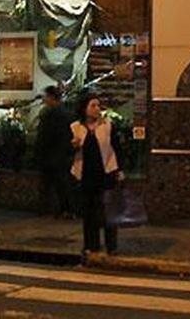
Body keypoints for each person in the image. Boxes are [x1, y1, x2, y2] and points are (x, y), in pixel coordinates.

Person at [71, 93, 124, 256]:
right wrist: (73, 146)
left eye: (98, 105)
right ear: (84, 108)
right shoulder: (75, 127)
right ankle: (91, 244)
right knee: (89, 212)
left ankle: (111, 246)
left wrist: (120, 169)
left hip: (106, 173)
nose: (97, 109)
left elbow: (116, 147)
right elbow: (67, 152)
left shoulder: (107, 125)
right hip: (85, 175)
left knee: (108, 211)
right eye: (92, 105)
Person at [35, 86, 74, 218]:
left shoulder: (49, 115)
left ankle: (49, 209)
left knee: (50, 184)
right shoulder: (68, 114)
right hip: (63, 154)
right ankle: (65, 209)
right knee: (62, 184)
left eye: (46, 96)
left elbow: (44, 136)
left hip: (51, 155)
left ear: (51, 97)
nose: (44, 99)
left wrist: (39, 153)